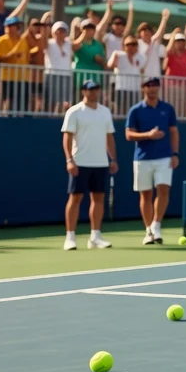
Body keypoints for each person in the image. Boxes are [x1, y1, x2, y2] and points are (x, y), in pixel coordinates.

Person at [61, 79, 117, 250]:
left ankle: (95, 236)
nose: (93, 92)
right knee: (75, 198)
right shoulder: (74, 112)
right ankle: (70, 237)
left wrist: (113, 159)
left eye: (96, 89)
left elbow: (109, 137)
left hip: (100, 163)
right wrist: (69, 160)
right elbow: (67, 137)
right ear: (83, 91)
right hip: (80, 162)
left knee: (98, 198)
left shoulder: (105, 112)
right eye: (89, 89)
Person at [125, 77, 179, 244]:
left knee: (163, 190)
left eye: (155, 86)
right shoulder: (135, 110)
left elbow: (174, 132)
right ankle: (148, 230)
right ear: (143, 88)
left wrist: (175, 153)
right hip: (142, 159)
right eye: (149, 86)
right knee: (145, 195)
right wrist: (148, 135)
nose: (153, 89)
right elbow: (128, 135)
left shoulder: (168, 109)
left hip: (164, 157)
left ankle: (156, 224)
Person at [0, 16, 32, 115]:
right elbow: (0, 57)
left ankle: (19, 122)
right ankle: (4, 120)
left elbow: (27, 57)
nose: (15, 28)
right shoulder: (1, 40)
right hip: (7, 77)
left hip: (22, 77)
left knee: (22, 102)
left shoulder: (23, 40)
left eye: (16, 25)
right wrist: (13, 54)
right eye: (12, 25)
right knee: (6, 100)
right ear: (7, 27)